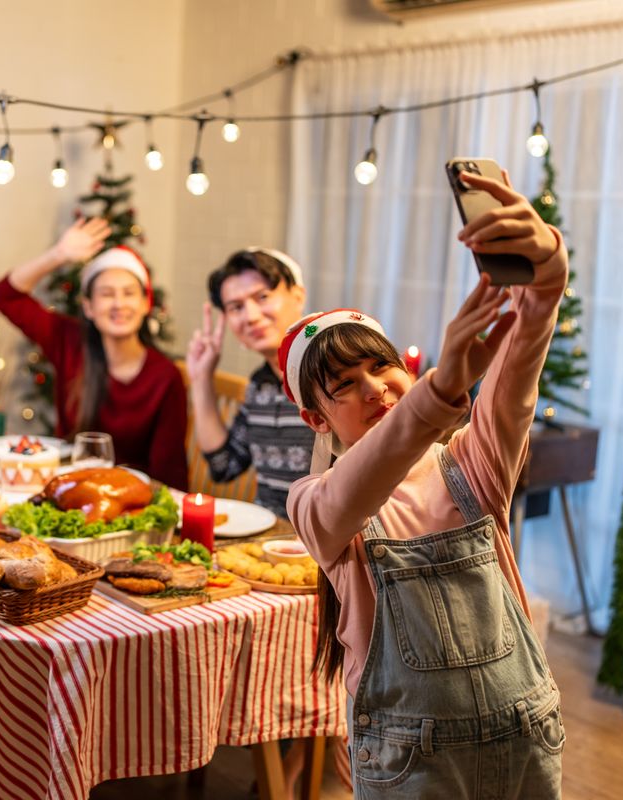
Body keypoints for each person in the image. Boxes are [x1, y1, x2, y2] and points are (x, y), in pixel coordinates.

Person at [285, 170, 567, 796]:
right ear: (317, 418)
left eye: (381, 365)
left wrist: (545, 274)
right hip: (409, 762)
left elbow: (519, 364)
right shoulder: (314, 504)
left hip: (525, 734)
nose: (374, 388)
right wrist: (440, 392)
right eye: (344, 385)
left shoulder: (471, 466)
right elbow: (350, 495)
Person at [0, 218, 189, 490]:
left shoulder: (165, 376)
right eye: (107, 294)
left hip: (131, 502)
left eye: (129, 293)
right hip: (70, 491)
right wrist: (58, 255)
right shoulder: (69, 341)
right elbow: (5, 296)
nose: (119, 304)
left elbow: (171, 477)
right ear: (88, 307)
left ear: (146, 304)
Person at [186, 248, 316, 516]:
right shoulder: (260, 386)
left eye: (263, 297)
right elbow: (225, 466)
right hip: (267, 536)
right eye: (236, 307)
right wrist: (201, 379)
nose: (251, 316)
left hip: (327, 544)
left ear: (298, 296)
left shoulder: (332, 376)